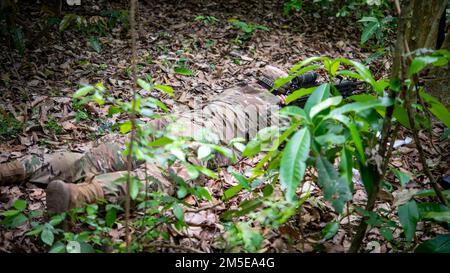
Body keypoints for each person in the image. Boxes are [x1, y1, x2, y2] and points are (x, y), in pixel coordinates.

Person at [0, 65, 289, 213]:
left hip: (175, 121)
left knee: (99, 157)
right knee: (158, 178)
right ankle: (80, 196)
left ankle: (18, 168)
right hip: (205, 137)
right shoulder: (277, 113)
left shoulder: (237, 89)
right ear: (282, 92)